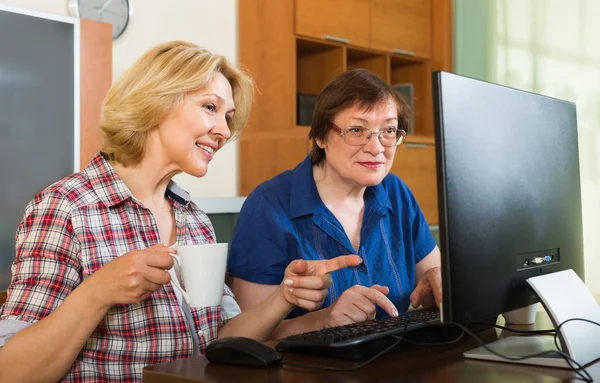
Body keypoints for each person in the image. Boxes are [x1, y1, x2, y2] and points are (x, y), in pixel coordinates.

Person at [0, 41, 361, 383]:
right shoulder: (66, 207)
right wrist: (97, 292)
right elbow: (11, 371)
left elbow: (223, 340)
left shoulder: (193, 217)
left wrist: (286, 295)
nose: (223, 131)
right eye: (209, 107)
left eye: (228, 117)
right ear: (156, 101)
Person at [228, 68, 443, 339]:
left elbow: (432, 283)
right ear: (320, 136)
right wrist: (323, 320)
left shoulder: (396, 192)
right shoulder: (268, 207)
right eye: (357, 130)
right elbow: (246, 341)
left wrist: (437, 279)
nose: (377, 147)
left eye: (388, 130)